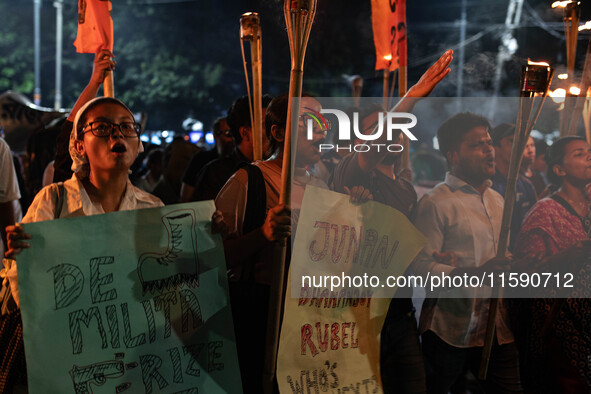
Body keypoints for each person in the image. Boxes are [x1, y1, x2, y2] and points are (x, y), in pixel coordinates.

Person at [331, 50, 452, 394]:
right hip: (356, 314)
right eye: (379, 129)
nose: (393, 132)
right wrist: (412, 95)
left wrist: (432, 259)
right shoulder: (350, 173)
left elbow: (403, 250)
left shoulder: (406, 190)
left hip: (399, 312)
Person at [412, 113, 522, 393]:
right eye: (477, 144)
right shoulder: (436, 203)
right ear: (454, 155)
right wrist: (476, 273)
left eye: (489, 142)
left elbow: (503, 256)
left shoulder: (498, 200)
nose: (489, 150)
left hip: (495, 325)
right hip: (450, 328)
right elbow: (422, 268)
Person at [512, 136, 591, 393]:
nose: (589, 156)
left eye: (589, 151)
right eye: (580, 153)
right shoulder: (544, 211)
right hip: (560, 326)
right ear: (559, 169)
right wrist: (568, 257)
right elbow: (526, 276)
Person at [192, 95, 273, 202]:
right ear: (245, 133)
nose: (272, 132)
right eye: (265, 125)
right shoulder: (216, 173)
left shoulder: (278, 169)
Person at [53, 49, 116, 183]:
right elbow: (69, 133)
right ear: (79, 146)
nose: (117, 134)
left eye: (127, 126)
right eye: (101, 128)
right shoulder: (63, 195)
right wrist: (94, 82)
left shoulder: (147, 202)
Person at [490, 123, 537, 251]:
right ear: (496, 148)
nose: (519, 146)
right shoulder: (488, 185)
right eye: (512, 141)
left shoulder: (526, 185)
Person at [180, 117, 233, 202]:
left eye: (235, 133)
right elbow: (185, 197)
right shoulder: (200, 160)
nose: (232, 139)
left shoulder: (242, 162)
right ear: (215, 136)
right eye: (228, 133)